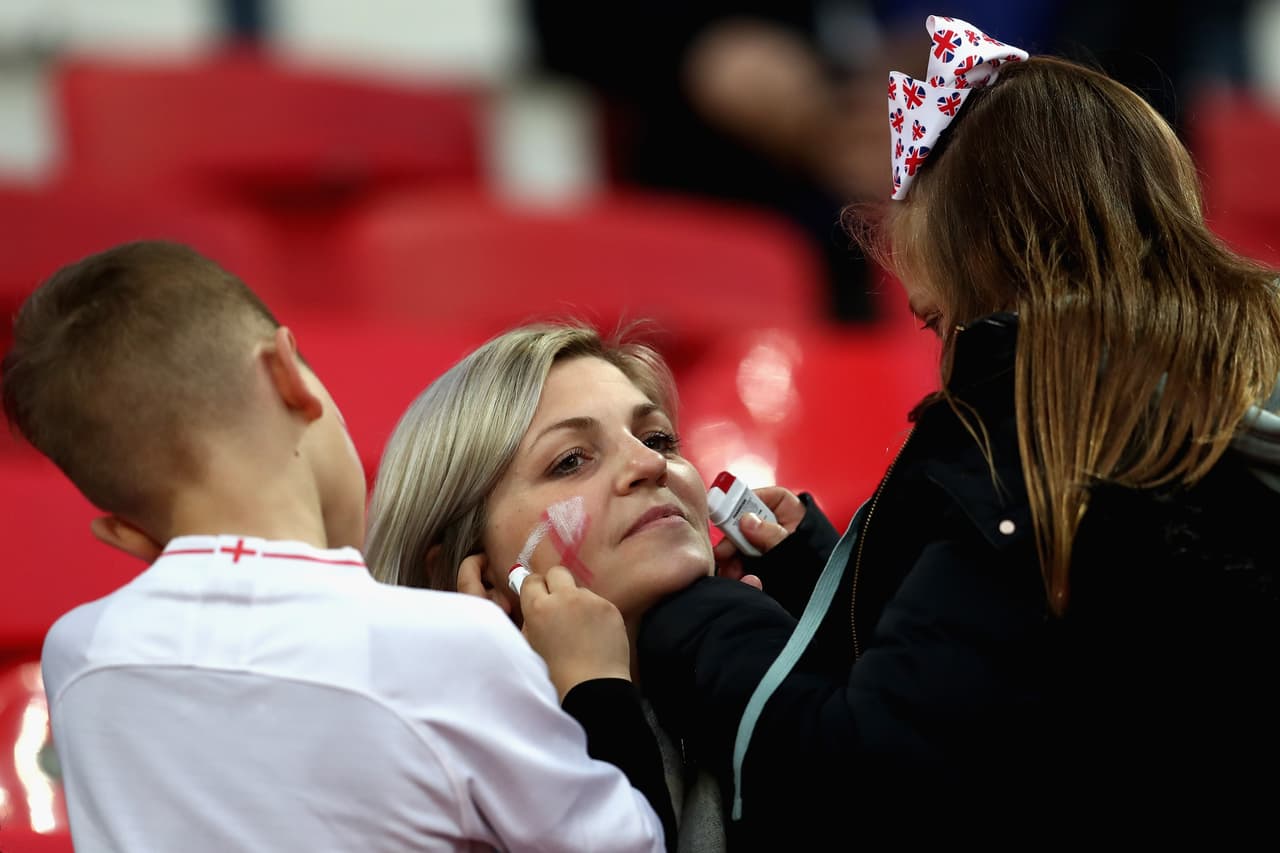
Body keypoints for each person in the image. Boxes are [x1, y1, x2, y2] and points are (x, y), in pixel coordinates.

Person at [632, 14, 1280, 847]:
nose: (947, 365)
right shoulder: (1196, 411)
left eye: (941, 327)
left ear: (990, 261)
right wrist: (830, 576)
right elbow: (1013, 685)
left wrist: (691, 613)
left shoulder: (1035, 434)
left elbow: (859, 780)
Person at [0, 240, 674, 851]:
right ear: (288, 374)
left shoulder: (79, 657)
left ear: (125, 533)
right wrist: (593, 683)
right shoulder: (448, 643)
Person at [364, 322, 798, 853]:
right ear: (463, 572)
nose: (650, 463)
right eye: (571, 460)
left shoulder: (762, 666)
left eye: (657, 437)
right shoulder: (435, 789)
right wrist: (597, 696)